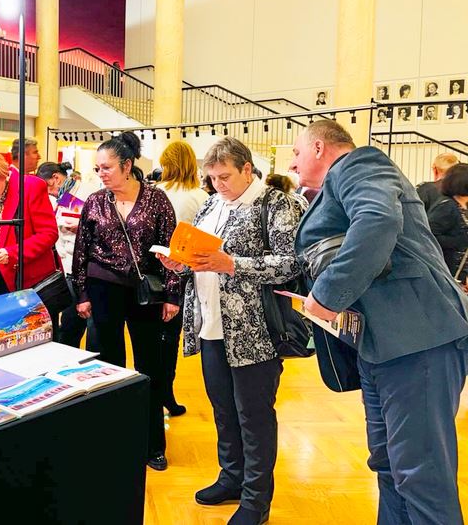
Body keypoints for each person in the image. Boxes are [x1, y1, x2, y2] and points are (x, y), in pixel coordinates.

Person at [290, 119, 468, 525]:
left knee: (422, 477)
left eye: (297, 152)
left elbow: (378, 220)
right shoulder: (338, 184)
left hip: (418, 340)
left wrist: (327, 294)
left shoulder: (360, 163)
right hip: (385, 345)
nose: (293, 164)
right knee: (390, 466)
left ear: (319, 148)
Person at [158, 137, 299, 525]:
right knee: (223, 409)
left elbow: (291, 264)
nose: (218, 184)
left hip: (253, 331)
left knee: (253, 415)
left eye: (225, 176)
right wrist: (180, 264)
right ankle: (231, 476)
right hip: (211, 324)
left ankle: (256, 499)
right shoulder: (212, 204)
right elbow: (200, 257)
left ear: (247, 170)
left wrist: (232, 264)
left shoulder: (274, 204)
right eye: (212, 178)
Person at [73, 132, 180, 472]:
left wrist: (172, 294)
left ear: (127, 165)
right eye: (97, 168)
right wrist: (82, 294)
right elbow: (81, 249)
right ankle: (111, 436)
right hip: (103, 287)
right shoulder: (95, 201)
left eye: (106, 167)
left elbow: (171, 249)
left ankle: (152, 444)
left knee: (149, 364)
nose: (101, 174)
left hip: (144, 290)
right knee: (107, 363)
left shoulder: (156, 199)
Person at [0, 147, 59, 309]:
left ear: (0, 175)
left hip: (29, 279)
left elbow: (48, 233)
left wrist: (11, 253)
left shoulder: (30, 186)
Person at [155, 141, 208, 417]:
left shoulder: (154, 193)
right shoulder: (201, 198)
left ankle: (153, 393)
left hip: (154, 273)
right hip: (185, 274)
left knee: (150, 338)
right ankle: (166, 391)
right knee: (171, 336)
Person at [54, 172, 100, 351]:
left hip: (88, 268)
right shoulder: (70, 193)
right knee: (72, 323)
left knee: (89, 326)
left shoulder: (83, 191)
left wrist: (81, 228)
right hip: (73, 268)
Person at [427, 164, 468, 283]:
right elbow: (429, 236)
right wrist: (460, 241)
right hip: (448, 272)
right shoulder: (447, 206)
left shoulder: (462, 206)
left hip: (460, 272)